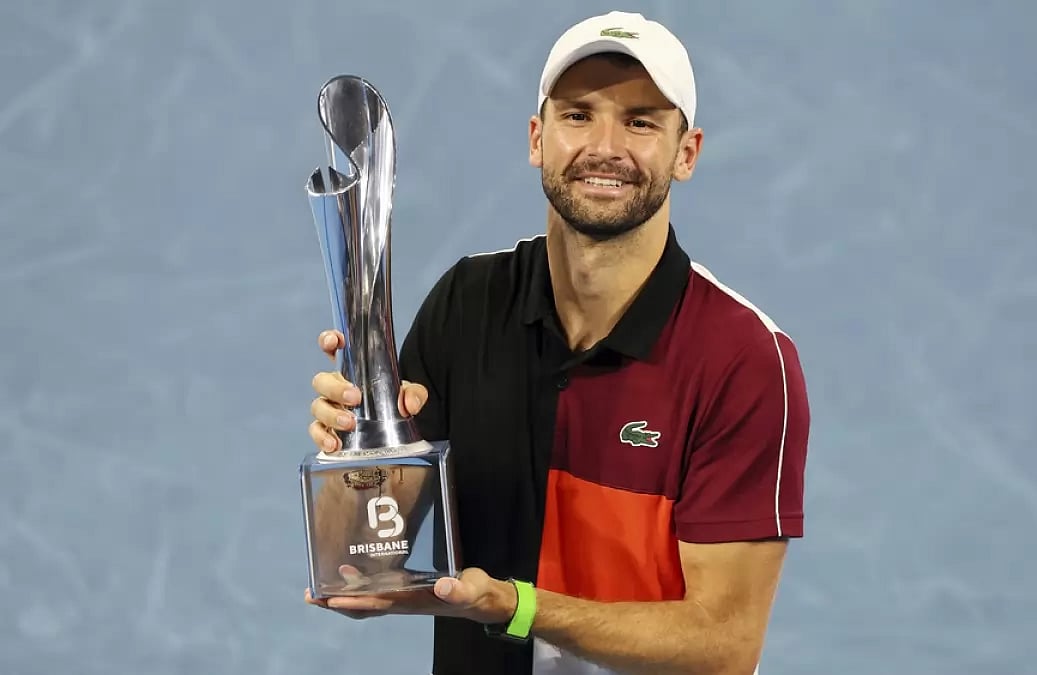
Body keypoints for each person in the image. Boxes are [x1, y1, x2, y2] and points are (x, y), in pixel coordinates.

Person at [305, 10, 810, 675]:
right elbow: (364, 564)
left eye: (640, 121)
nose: (605, 145)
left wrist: (517, 606)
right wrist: (359, 440)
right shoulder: (467, 303)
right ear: (537, 138)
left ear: (686, 153)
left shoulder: (745, 360)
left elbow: (723, 646)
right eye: (577, 115)